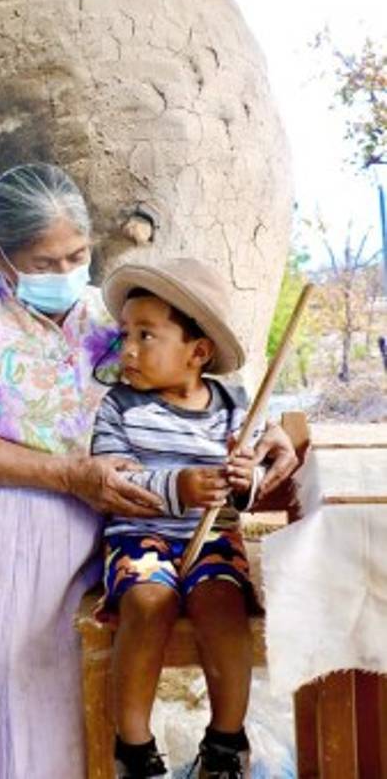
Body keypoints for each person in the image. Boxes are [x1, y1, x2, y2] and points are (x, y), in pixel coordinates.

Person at [0, 163, 298, 779]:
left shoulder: (110, 321)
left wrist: (281, 434)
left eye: (76, 256)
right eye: (43, 262)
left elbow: (208, 386)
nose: (63, 274)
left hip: (77, 546)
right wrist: (68, 474)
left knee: (49, 699)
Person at [92, 258, 268, 779]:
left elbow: (252, 480)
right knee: (150, 600)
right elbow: (112, 482)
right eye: (124, 334)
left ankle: (225, 742)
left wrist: (244, 478)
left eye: (146, 336)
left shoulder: (235, 407)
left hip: (212, 537)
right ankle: (134, 749)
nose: (127, 349)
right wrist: (178, 486)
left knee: (222, 602)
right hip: (139, 536)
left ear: (197, 352)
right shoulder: (117, 408)